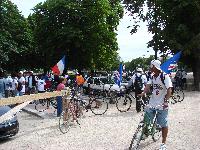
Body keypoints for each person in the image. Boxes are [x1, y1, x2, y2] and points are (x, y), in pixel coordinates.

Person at [138, 60, 172, 150]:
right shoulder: (152, 76)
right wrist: (143, 93)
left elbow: (169, 89)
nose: (150, 68)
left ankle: (163, 143)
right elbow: (148, 86)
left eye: (151, 66)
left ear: (155, 67)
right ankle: (145, 133)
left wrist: (166, 101)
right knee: (146, 118)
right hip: (152, 102)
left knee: (164, 123)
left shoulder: (165, 76)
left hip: (162, 104)